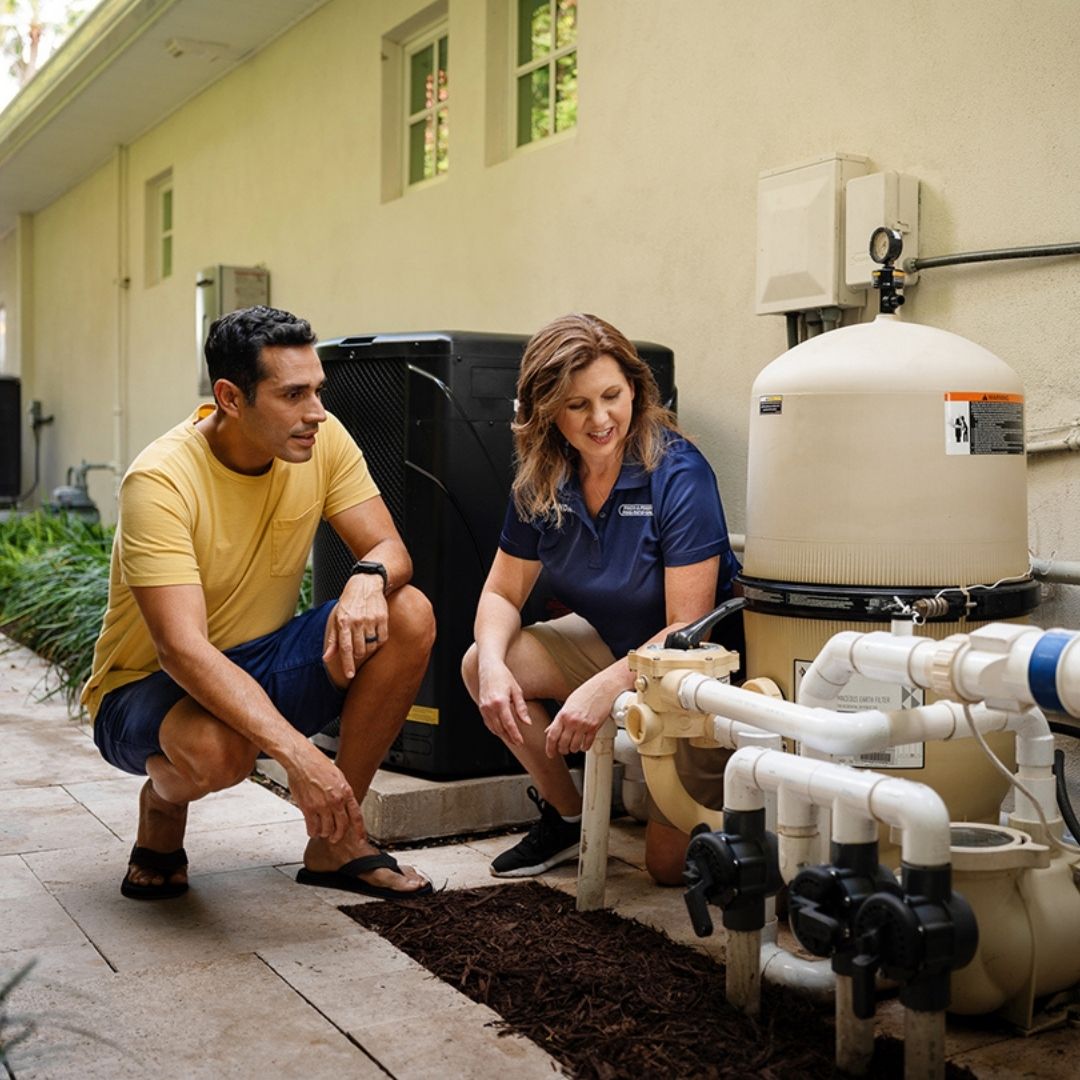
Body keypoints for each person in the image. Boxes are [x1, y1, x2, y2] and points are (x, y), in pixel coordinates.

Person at [82, 306, 436, 901]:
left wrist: (368, 577)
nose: (315, 412)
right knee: (218, 753)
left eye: (317, 390)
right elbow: (181, 650)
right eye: (292, 394)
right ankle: (163, 806)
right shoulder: (161, 482)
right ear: (230, 397)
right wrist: (301, 758)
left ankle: (336, 841)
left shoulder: (322, 439)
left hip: (261, 661)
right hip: (144, 689)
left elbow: (388, 547)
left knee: (409, 613)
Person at [462, 313, 740, 883]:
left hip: (697, 677)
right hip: (620, 649)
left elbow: (687, 632)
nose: (600, 419)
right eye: (576, 405)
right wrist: (492, 665)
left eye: (612, 396)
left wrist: (601, 689)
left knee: (666, 869)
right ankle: (566, 814)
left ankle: (730, 804)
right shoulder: (544, 474)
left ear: (634, 389)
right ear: (546, 411)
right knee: (480, 661)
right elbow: (501, 591)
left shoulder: (677, 472)